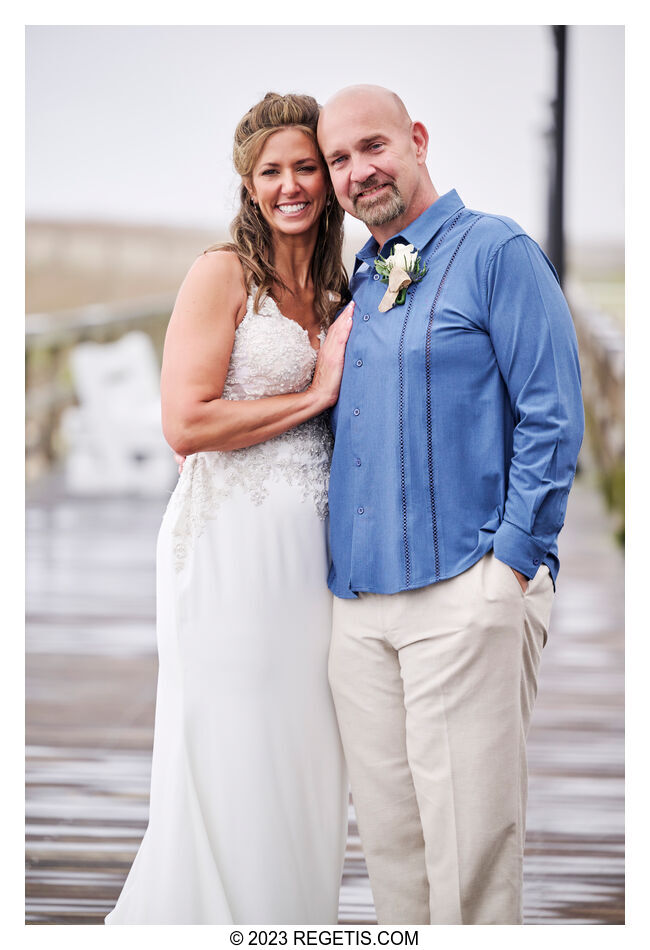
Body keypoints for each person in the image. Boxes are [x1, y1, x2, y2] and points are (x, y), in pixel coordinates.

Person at [316, 85, 584, 925]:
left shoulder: (498, 252)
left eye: (373, 147)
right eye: (338, 160)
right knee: (394, 855)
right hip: (359, 614)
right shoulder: (359, 277)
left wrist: (507, 568)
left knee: (469, 861)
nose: (358, 172)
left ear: (418, 140)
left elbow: (552, 415)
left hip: (467, 588)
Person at [105, 92, 354, 925]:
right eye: (270, 171)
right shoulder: (223, 274)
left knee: (304, 753)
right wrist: (318, 391)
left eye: (305, 167)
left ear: (328, 176)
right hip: (229, 554)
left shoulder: (333, 284)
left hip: (309, 565)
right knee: (232, 747)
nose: (291, 186)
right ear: (249, 185)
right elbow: (187, 422)